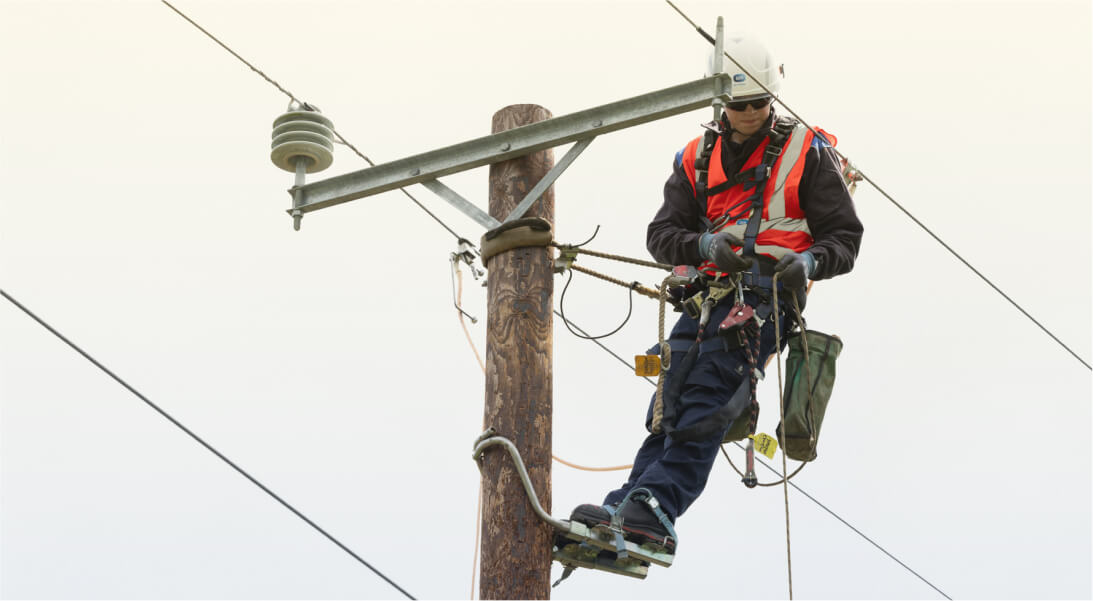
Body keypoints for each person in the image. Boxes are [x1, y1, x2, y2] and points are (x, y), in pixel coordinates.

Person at [568, 34, 863, 555]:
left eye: (758, 104)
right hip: (709, 297)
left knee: (708, 397)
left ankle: (657, 507)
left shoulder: (807, 153)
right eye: (739, 105)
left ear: (772, 99)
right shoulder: (696, 157)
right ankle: (629, 505)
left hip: (764, 298)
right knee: (670, 403)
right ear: (720, 104)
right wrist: (704, 243)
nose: (749, 114)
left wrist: (809, 263)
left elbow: (845, 236)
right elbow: (661, 235)